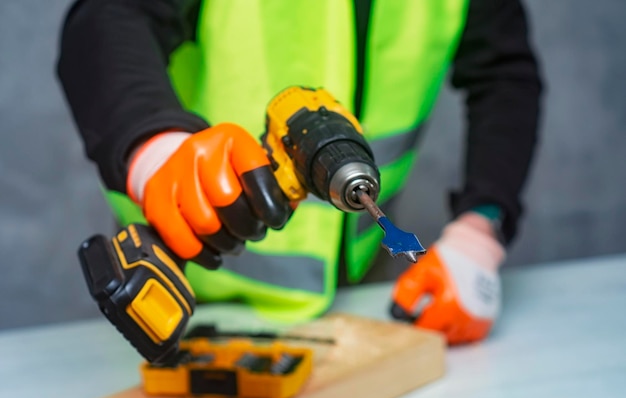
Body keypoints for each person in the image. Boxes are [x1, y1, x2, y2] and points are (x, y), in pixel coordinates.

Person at [57, 0, 542, 345]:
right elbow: (107, 18)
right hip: (188, 290)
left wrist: (480, 230)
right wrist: (156, 149)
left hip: (355, 291)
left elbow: (504, 74)